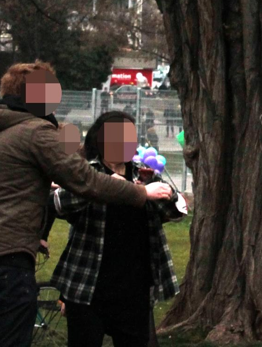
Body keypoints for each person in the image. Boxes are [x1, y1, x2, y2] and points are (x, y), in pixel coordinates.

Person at [0, 61, 173, 347]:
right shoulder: (34, 131)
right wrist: (142, 193)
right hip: (10, 261)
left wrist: (36, 235)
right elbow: (86, 182)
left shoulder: (7, 128)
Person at [51, 110, 186, 347]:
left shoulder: (143, 172)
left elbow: (175, 213)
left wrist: (168, 194)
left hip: (134, 288)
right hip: (88, 286)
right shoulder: (87, 172)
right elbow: (59, 203)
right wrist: (107, 186)